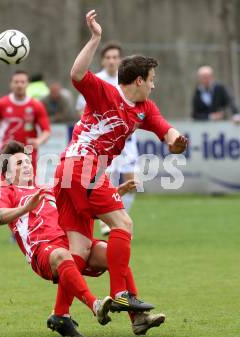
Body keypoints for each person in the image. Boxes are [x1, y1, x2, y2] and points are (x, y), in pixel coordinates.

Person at [54, 9, 188, 312]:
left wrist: (177, 142)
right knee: (123, 223)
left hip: (71, 171)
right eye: (152, 80)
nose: (154, 85)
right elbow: (76, 75)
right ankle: (120, 294)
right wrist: (95, 38)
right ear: (139, 80)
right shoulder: (105, 93)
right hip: (80, 166)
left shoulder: (144, 108)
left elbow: (166, 130)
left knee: (79, 248)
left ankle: (60, 314)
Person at [0, 141, 165, 337]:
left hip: (73, 243)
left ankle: (138, 319)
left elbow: (83, 213)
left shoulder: (49, 189)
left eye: (28, 161)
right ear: (8, 175)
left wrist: (116, 194)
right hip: (43, 251)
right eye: (19, 164)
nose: (27, 165)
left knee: (113, 254)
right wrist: (25, 209)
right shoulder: (7, 192)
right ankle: (94, 305)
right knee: (63, 255)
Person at [77, 41, 139, 236]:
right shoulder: (97, 80)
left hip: (128, 142)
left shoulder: (129, 82)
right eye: (108, 57)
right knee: (107, 181)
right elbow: (82, 109)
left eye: (115, 57)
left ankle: (117, 219)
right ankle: (108, 222)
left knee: (133, 182)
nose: (112, 61)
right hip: (104, 143)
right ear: (103, 61)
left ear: (120, 60)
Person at [0, 70, 51, 170]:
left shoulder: (36, 105)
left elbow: (46, 131)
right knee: (6, 184)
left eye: (22, 82)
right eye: (16, 82)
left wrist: (39, 141)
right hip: (7, 151)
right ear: (11, 84)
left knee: (28, 184)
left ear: (27, 84)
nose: (19, 85)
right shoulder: (2, 104)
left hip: (28, 152)